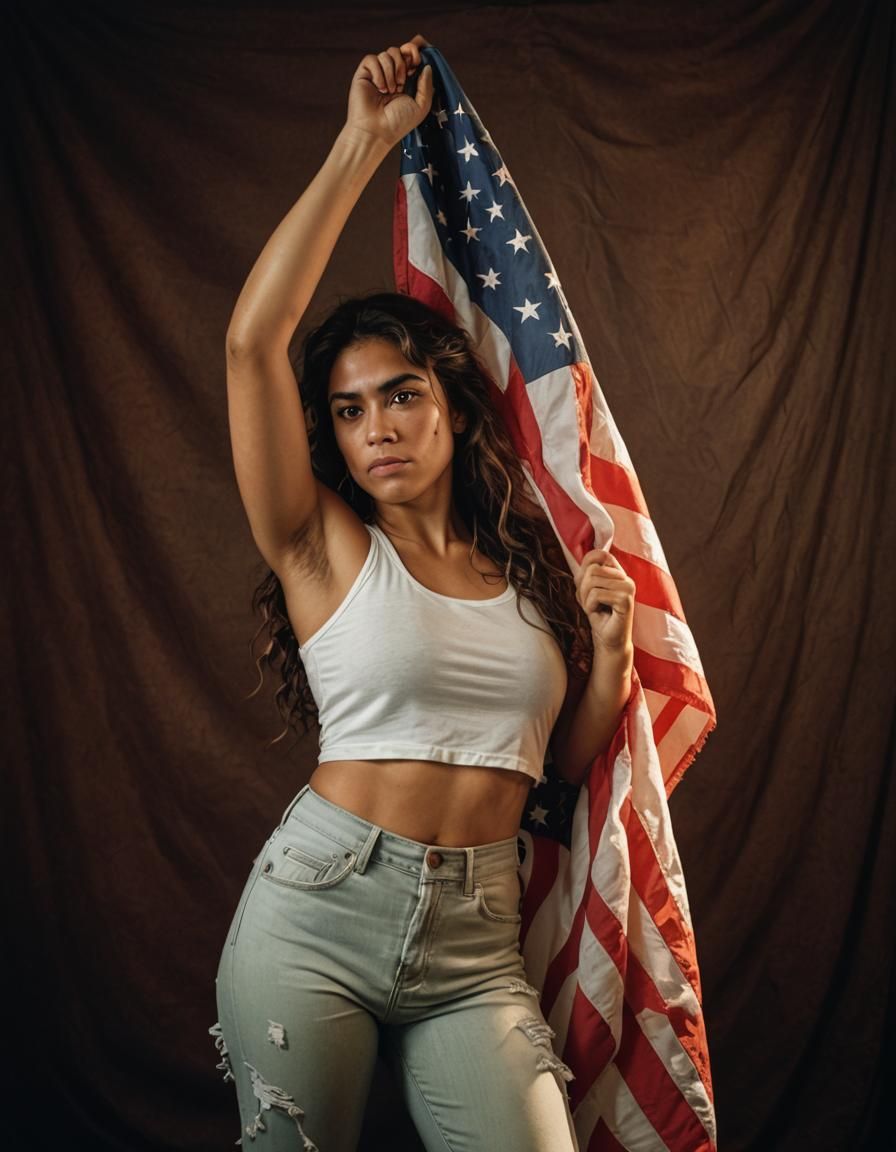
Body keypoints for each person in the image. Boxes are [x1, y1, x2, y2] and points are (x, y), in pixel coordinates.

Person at [210, 33, 635, 1152]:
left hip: (475, 944)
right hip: (318, 910)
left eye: (398, 396)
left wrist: (606, 654)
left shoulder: (525, 578)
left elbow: (557, 763)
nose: (377, 427)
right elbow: (253, 342)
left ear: (449, 405)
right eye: (348, 411)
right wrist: (362, 143)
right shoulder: (319, 544)